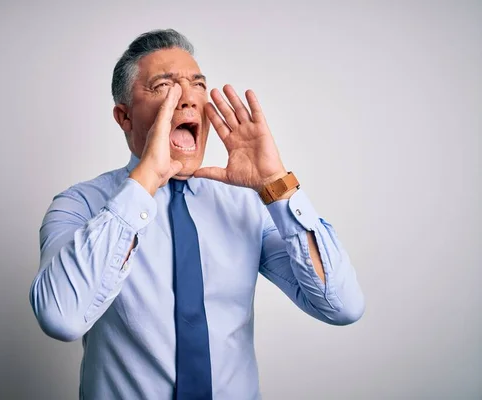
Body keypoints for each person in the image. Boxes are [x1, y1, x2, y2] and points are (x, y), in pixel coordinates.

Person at [29, 29, 365, 400]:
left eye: (197, 84)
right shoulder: (80, 205)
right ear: (124, 117)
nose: (187, 97)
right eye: (164, 87)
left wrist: (276, 184)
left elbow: (342, 305)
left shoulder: (248, 204)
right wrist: (145, 184)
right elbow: (61, 317)